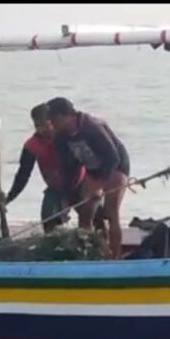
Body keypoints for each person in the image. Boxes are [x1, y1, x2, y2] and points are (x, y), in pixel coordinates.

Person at [47, 97, 131, 259]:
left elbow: (112, 157)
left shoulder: (92, 127)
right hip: (93, 168)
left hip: (116, 165)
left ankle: (115, 258)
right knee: (85, 214)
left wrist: (100, 185)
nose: (52, 124)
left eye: (54, 120)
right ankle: (91, 255)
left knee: (111, 211)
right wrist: (67, 198)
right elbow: (68, 169)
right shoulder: (60, 138)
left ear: (67, 116)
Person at [5, 103, 87, 233]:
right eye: (37, 125)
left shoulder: (67, 137)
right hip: (56, 189)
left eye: (45, 124)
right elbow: (23, 175)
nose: (42, 129)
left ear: (53, 121)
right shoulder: (31, 146)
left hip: (81, 183)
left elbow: (82, 162)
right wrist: (9, 198)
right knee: (49, 220)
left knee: (92, 218)